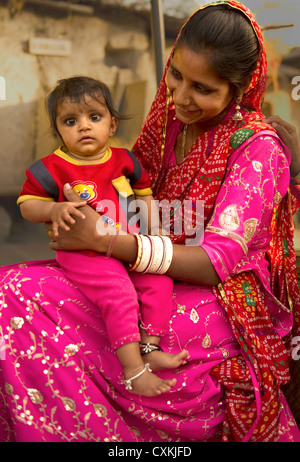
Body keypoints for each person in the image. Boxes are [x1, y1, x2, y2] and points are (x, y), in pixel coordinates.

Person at [1, 0, 300, 443]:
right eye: (176, 75)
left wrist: (106, 241)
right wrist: (72, 215)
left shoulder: (257, 150)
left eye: (202, 88)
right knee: (12, 289)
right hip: (142, 266)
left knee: (33, 310)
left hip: (221, 296)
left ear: (237, 89)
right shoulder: (169, 127)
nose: (179, 96)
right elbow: (134, 203)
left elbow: (215, 261)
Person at [17, 76, 188, 397]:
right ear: (58, 130)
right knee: (120, 293)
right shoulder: (51, 168)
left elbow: (144, 193)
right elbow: (27, 204)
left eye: (94, 117)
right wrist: (53, 211)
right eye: (71, 121)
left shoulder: (125, 160)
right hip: (85, 253)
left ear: (111, 125)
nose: (83, 126)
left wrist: (154, 230)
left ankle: (150, 350)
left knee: (159, 283)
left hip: (127, 246)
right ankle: (134, 370)